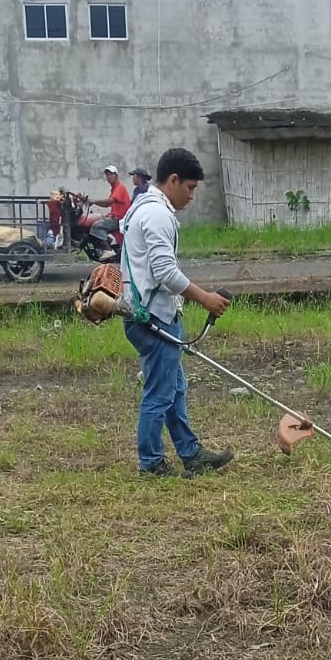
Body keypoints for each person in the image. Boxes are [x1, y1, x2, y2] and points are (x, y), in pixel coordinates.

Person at [120, 146, 232, 478]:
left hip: (147, 313)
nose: (192, 196)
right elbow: (165, 272)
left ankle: (190, 452)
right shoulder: (157, 214)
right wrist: (206, 298)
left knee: (174, 388)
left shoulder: (142, 207)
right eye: (190, 187)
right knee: (159, 393)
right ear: (173, 180)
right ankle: (151, 463)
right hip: (154, 317)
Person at [89, 164, 131, 244]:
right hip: (115, 218)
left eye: (111, 174)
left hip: (119, 219)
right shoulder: (115, 189)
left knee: (97, 225)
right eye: (107, 175)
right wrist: (93, 202)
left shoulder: (120, 187)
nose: (109, 177)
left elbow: (110, 201)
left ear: (116, 176)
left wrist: (94, 201)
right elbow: (106, 205)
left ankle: (107, 249)